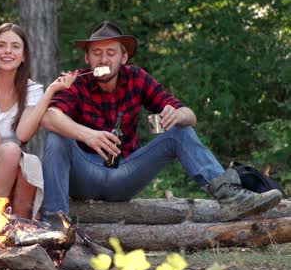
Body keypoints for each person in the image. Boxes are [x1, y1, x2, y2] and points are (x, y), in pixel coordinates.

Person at [40, 21, 283, 219]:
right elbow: (50, 117)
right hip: (84, 175)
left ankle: (231, 198)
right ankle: (55, 222)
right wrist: (88, 135)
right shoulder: (77, 83)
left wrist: (178, 114)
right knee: (57, 137)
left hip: (124, 174)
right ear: (87, 59)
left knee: (180, 131)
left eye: (110, 53)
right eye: (97, 53)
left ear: (123, 58)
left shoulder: (135, 77)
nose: (103, 59)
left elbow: (191, 115)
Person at [0, 23, 76, 219]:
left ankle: (18, 228)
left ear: (24, 55)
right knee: (12, 151)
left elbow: (23, 134)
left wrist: (51, 91)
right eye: (1, 45)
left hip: (9, 163)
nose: (8, 51)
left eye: (15, 46)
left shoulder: (33, 90)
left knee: (30, 162)